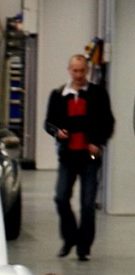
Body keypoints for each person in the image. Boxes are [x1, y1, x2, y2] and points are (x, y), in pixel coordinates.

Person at [44, 54, 114, 262]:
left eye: (82, 70)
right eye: (75, 70)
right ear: (69, 71)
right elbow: (49, 123)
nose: (79, 74)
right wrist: (57, 132)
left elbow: (108, 122)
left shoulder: (98, 94)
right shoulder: (58, 95)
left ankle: (84, 247)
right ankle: (69, 238)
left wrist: (97, 142)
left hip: (89, 155)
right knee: (61, 198)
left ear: (87, 71)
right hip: (67, 155)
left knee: (87, 203)